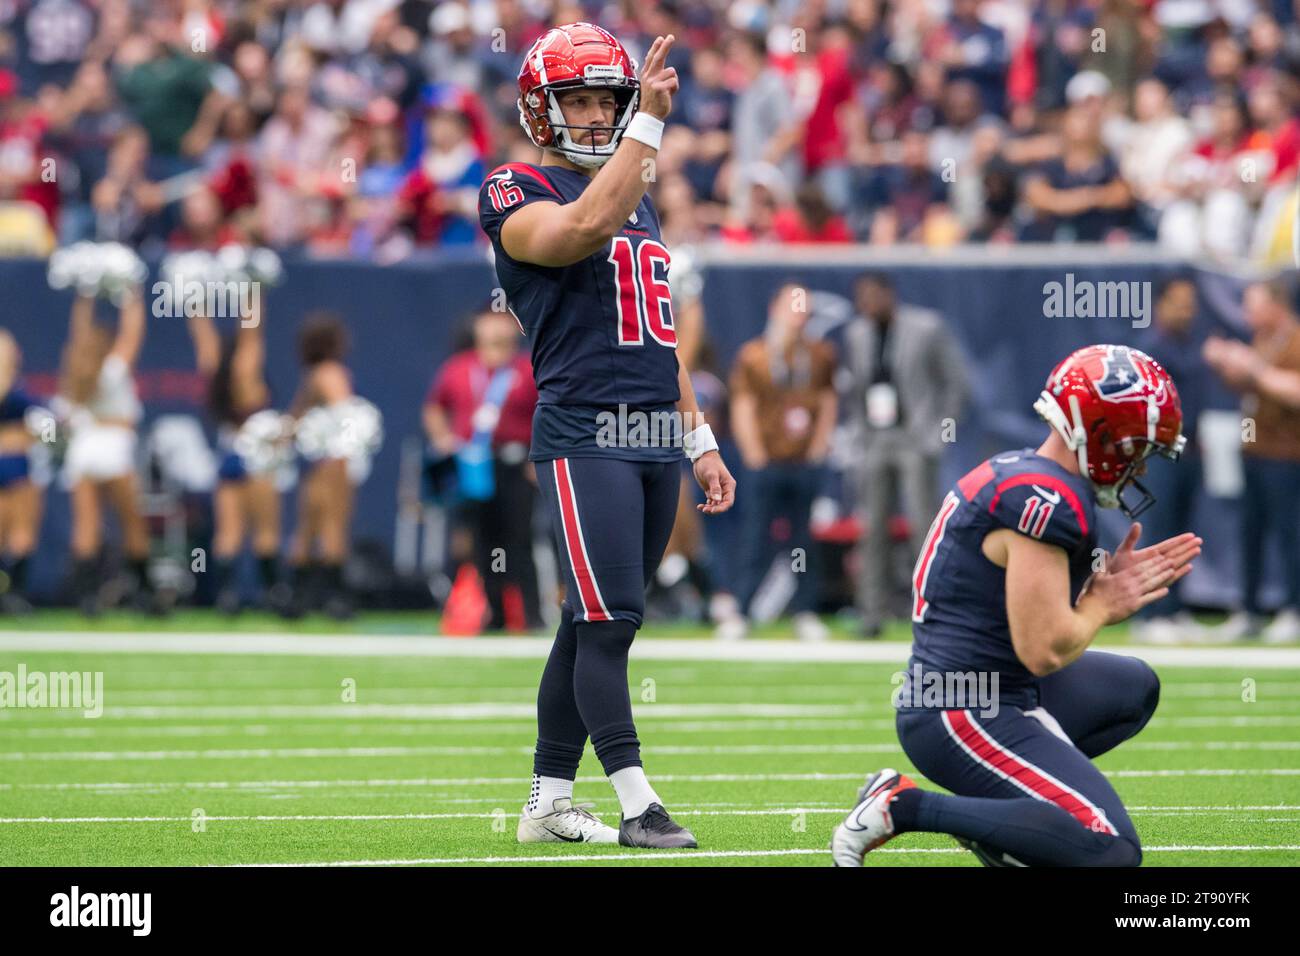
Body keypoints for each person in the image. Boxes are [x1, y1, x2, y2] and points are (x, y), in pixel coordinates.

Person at [478, 24, 735, 848]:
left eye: (605, 101)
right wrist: (649, 131)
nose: (595, 115)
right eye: (579, 100)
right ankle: (637, 802)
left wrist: (700, 440)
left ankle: (549, 800)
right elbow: (578, 229)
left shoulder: (640, 195)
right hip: (587, 429)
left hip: (657, 429)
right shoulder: (513, 187)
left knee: (588, 622)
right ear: (541, 111)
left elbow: (658, 338)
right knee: (611, 618)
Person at [831, 344, 1198, 866]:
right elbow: (1043, 648)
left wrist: (1094, 596)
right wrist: (1099, 605)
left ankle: (1010, 825)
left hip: (986, 685)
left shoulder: (1029, 474)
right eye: (1135, 446)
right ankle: (903, 806)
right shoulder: (1046, 499)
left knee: (1134, 688)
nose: (1138, 463)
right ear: (1098, 433)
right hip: (962, 709)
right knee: (1112, 853)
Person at [843, 272, 969, 638]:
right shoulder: (857, 334)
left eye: (871, 297)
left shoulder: (927, 328)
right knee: (872, 529)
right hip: (877, 438)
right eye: (861, 298)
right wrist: (861, 435)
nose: (866, 305)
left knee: (922, 527)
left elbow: (955, 383)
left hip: (916, 438)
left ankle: (932, 610)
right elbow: (856, 390)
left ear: (888, 295)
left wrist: (938, 433)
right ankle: (871, 613)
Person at [722, 283, 837, 642]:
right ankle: (741, 610)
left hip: (802, 461)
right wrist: (753, 452)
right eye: (792, 305)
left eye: (804, 307)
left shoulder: (819, 354)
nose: (799, 314)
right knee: (756, 536)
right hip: (767, 460)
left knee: (803, 540)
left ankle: (804, 610)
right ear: (774, 308)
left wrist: (819, 445)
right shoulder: (755, 355)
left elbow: (827, 399)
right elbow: (743, 404)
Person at [423, 309, 542, 631]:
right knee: (481, 540)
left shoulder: (527, 370)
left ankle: (532, 613)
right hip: (474, 463)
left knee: (519, 538)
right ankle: (494, 610)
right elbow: (435, 406)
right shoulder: (460, 368)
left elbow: (544, 415)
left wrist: (537, 459)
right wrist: (443, 439)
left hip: (514, 463)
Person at [1203, 279, 1300, 643]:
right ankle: (1249, 610)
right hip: (1254, 452)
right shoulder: (1263, 341)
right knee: (1250, 534)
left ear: (1277, 305)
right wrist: (1227, 362)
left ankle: (1294, 608)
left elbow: (1294, 392)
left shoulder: (1294, 340)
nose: (1247, 314)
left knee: (1289, 535)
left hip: (1288, 457)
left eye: (1254, 305)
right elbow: (1250, 389)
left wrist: (1252, 368)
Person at [59, 288, 161, 615]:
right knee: (132, 524)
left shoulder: (75, 373)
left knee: (86, 526)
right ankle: (144, 594)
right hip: (113, 447)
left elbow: (78, 335)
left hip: (83, 447)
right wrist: (131, 294)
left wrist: (85, 293)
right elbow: (134, 332)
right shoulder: (113, 370)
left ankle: (86, 598)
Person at [188, 306, 280, 615]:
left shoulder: (216, 367)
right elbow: (253, 331)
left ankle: (226, 597)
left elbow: (203, 336)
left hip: (228, 451)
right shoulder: (246, 369)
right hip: (257, 454)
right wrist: (255, 287)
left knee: (228, 533)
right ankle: (274, 595)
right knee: (265, 531)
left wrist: (193, 300)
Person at [0, 330, 44, 613]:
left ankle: (12, 591)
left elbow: (47, 430)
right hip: (14, 464)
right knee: (20, 530)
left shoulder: (23, 397)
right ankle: (12, 592)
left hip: (17, 465)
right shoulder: (16, 394)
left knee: (15, 530)